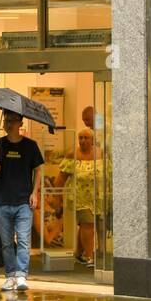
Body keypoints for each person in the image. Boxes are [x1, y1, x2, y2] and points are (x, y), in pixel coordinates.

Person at [0, 109, 44, 292]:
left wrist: (35, 192)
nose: (9, 123)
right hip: (3, 200)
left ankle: (21, 275)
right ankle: (10, 276)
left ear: (20, 123)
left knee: (23, 240)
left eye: (13, 120)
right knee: (6, 242)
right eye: (7, 120)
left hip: (23, 202)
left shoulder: (30, 146)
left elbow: (38, 171)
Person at [56, 106, 103, 266]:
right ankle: (90, 257)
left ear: (91, 140)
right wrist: (56, 197)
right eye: (80, 138)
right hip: (80, 198)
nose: (82, 141)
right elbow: (61, 178)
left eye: (85, 138)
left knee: (87, 226)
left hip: (98, 197)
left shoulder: (100, 153)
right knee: (87, 225)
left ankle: (78, 253)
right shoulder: (72, 154)